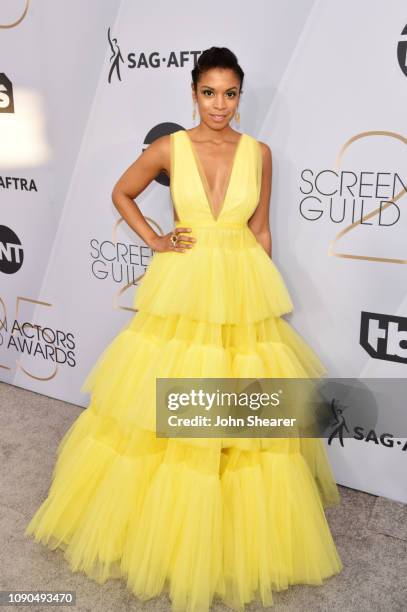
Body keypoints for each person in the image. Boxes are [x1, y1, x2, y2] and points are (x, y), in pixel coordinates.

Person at [25, 46, 343, 611]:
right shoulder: (169, 148)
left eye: (230, 93)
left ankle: (236, 528)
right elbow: (122, 193)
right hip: (185, 287)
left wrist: (263, 299)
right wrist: (155, 239)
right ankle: (167, 527)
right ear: (193, 94)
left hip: (242, 288)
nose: (219, 104)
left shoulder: (260, 153)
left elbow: (261, 230)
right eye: (208, 92)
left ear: (241, 97)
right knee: (164, 414)